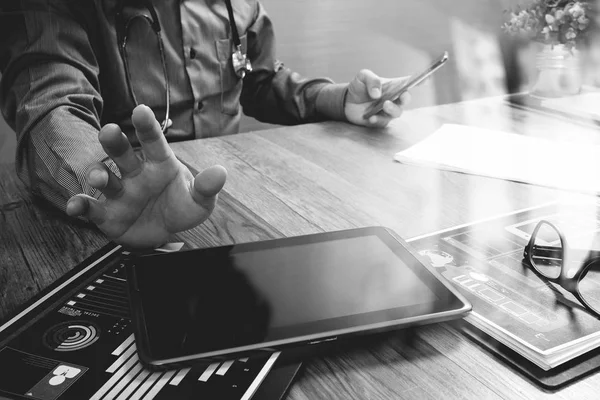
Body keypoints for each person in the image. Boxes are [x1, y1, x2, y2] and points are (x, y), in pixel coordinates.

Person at [0, 0, 410, 248]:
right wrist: (109, 189)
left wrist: (339, 100)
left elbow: (258, 80)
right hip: (127, 227)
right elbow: (50, 104)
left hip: (236, 205)